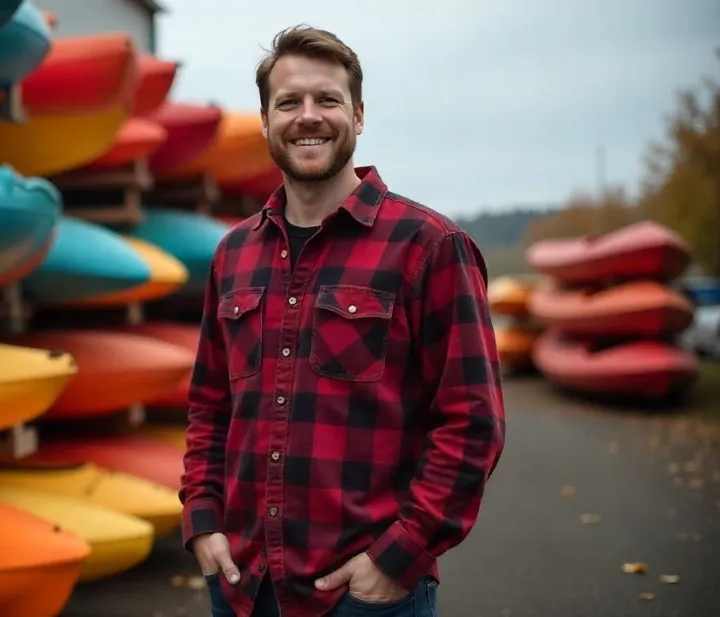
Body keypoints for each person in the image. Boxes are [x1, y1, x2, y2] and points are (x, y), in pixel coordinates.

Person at [179, 24, 507, 617]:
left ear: (357, 115)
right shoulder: (232, 255)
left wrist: (400, 555)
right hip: (243, 587)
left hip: (365, 597)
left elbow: (472, 422)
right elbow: (209, 406)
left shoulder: (429, 247)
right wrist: (203, 521)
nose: (308, 116)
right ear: (265, 121)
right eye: (289, 102)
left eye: (327, 100)